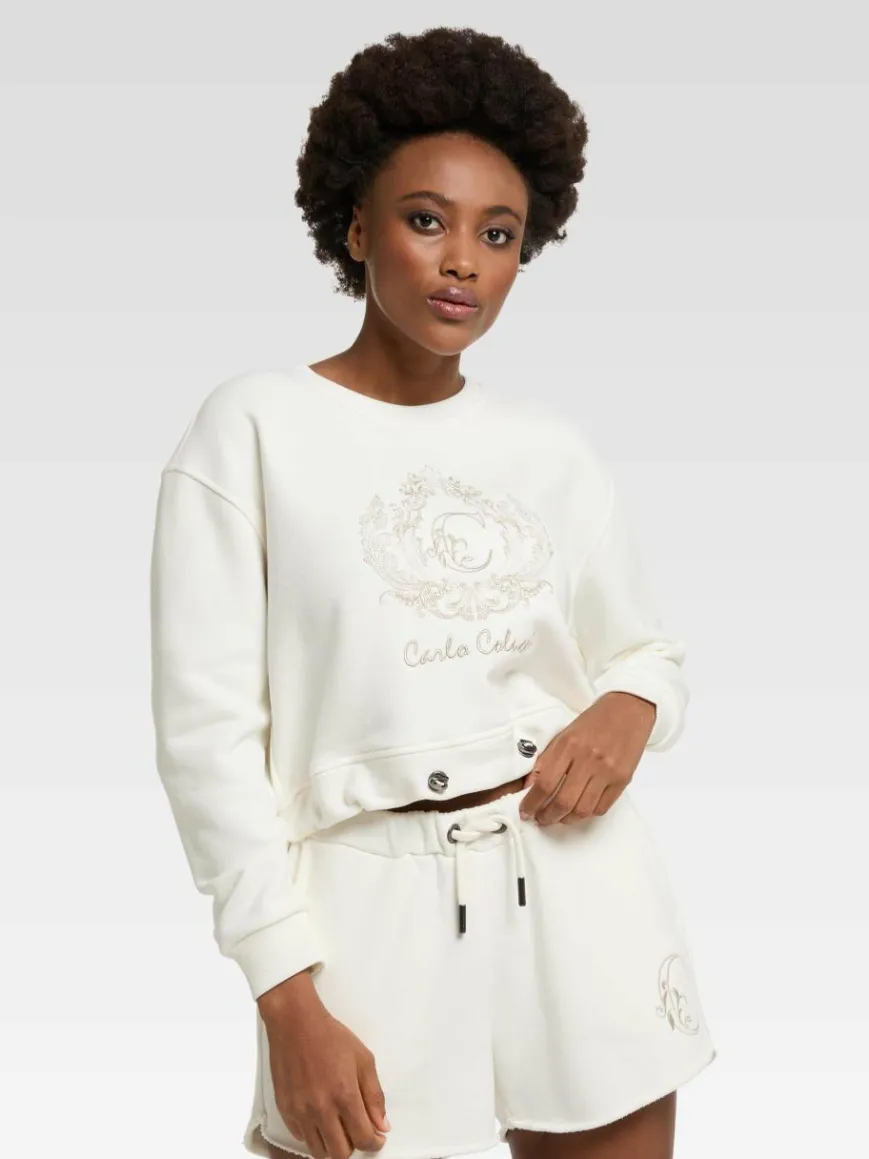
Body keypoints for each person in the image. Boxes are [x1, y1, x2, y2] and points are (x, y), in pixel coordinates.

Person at [149, 26, 717, 1159]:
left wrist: (628, 707)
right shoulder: (252, 431)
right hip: (365, 918)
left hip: (581, 891)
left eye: (496, 234)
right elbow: (207, 744)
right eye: (425, 220)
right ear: (356, 228)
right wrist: (286, 997)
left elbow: (644, 650)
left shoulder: (549, 449)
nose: (461, 260)